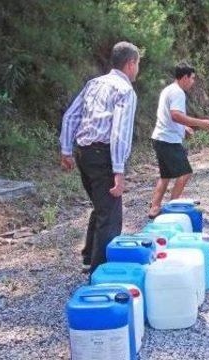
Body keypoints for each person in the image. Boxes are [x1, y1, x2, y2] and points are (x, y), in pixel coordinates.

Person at [59, 41, 140, 274]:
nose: (137, 70)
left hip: (83, 154)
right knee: (110, 214)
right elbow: (119, 133)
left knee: (100, 206)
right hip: (103, 155)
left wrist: (66, 150)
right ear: (130, 63)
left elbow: (71, 116)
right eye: (137, 65)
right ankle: (101, 272)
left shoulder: (94, 84)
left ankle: (88, 257)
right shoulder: (125, 90)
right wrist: (119, 170)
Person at [148, 63, 209, 218]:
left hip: (160, 138)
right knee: (185, 173)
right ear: (184, 77)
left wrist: (184, 127)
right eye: (192, 79)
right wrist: (201, 123)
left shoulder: (168, 90)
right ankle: (173, 206)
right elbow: (175, 115)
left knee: (165, 176)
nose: (193, 82)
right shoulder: (178, 92)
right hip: (168, 140)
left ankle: (155, 208)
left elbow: (166, 114)